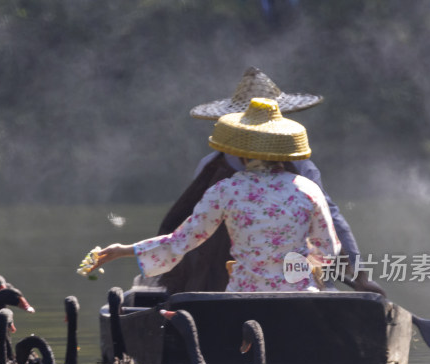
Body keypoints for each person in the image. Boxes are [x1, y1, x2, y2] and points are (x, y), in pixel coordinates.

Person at [155, 67, 385, 296]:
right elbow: (330, 227)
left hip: (229, 281)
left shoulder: (211, 166)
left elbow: (192, 230)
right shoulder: (298, 171)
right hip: (248, 275)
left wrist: (358, 274)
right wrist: (360, 276)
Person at [89, 97, 339, 292]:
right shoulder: (309, 189)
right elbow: (327, 252)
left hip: (243, 296)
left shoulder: (225, 190)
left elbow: (182, 240)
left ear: (240, 153)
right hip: (299, 297)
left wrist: (123, 250)